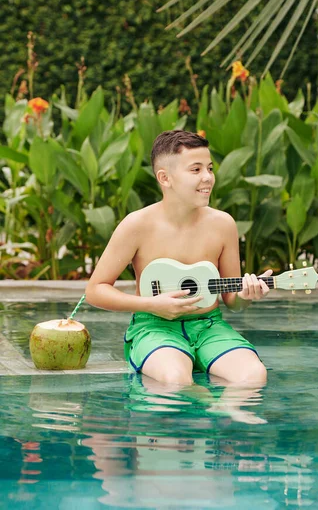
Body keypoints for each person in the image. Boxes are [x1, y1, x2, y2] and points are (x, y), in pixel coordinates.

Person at [85, 130, 271, 386]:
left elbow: (231, 299)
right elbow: (95, 290)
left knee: (254, 376)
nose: (207, 177)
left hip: (208, 326)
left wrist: (246, 296)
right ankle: (207, 406)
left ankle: (223, 418)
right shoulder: (137, 225)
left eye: (209, 168)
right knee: (175, 379)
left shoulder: (223, 224)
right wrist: (152, 305)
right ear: (165, 178)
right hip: (154, 326)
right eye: (195, 170)